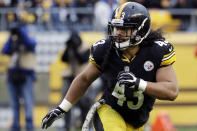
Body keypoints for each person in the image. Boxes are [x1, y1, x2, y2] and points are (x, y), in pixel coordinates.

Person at [41, 2, 179, 131]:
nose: (118, 33)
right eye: (116, 27)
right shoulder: (106, 49)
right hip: (110, 110)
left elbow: (172, 91)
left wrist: (139, 83)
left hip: (137, 121)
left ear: (140, 31)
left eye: (124, 29)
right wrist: (62, 108)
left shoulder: (156, 51)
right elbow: (84, 79)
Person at [1, 25, 36, 131]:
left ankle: (29, 125)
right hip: (13, 76)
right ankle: (15, 125)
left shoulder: (29, 40)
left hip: (26, 76)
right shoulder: (12, 41)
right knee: (14, 103)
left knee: (28, 102)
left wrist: (21, 33)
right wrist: (12, 36)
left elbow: (31, 44)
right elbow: (4, 50)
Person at [61, 30, 91, 130]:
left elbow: (82, 59)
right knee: (66, 104)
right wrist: (68, 47)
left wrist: (74, 50)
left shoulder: (85, 47)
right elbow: (63, 59)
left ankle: (84, 125)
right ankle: (67, 127)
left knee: (84, 104)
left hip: (81, 79)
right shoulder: (69, 48)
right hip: (69, 78)